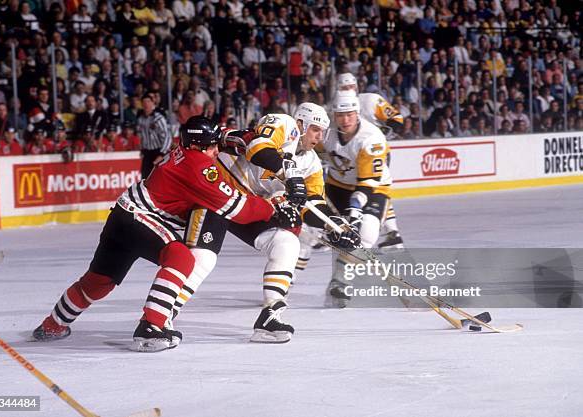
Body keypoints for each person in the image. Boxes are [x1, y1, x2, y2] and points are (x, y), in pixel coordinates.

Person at [32, 116, 301, 352]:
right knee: (182, 258)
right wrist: (273, 209)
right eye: (214, 145)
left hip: (122, 216)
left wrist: (236, 137)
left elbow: (224, 138)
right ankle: (151, 326)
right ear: (201, 146)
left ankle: (52, 325)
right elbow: (237, 208)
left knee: (98, 281)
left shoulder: (184, 152)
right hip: (140, 219)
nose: (217, 150)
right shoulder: (200, 169)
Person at [166, 104, 359, 343]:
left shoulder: (312, 164)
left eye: (323, 132)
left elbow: (312, 204)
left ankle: (270, 315)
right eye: (316, 129)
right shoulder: (284, 124)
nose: (320, 137)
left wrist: (332, 225)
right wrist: (290, 173)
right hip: (218, 189)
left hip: (249, 204)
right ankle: (163, 312)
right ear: (301, 124)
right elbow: (258, 148)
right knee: (204, 258)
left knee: (287, 242)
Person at [319, 90, 394, 307]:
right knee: (333, 237)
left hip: (374, 188)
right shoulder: (326, 133)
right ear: (334, 115)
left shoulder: (371, 138)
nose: (345, 119)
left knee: (366, 233)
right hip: (337, 187)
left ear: (357, 113)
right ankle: (285, 287)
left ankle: (340, 281)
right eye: (341, 115)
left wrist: (355, 210)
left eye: (350, 114)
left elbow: (368, 183)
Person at [331, 72, 405, 250]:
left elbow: (397, 119)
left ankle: (391, 230)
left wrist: (381, 135)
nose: (348, 90)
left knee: (372, 186)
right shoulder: (336, 106)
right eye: (343, 88)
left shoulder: (371, 100)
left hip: (372, 152)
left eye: (350, 87)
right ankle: (390, 231)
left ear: (356, 87)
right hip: (350, 155)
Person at [137, 93, 171, 178]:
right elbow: (141, 135)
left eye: (148, 101)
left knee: (159, 177)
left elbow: (167, 136)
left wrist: (161, 154)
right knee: (145, 177)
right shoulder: (140, 119)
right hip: (147, 153)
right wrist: (142, 149)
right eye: (144, 102)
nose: (146, 104)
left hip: (158, 151)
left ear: (153, 103)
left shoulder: (158, 118)